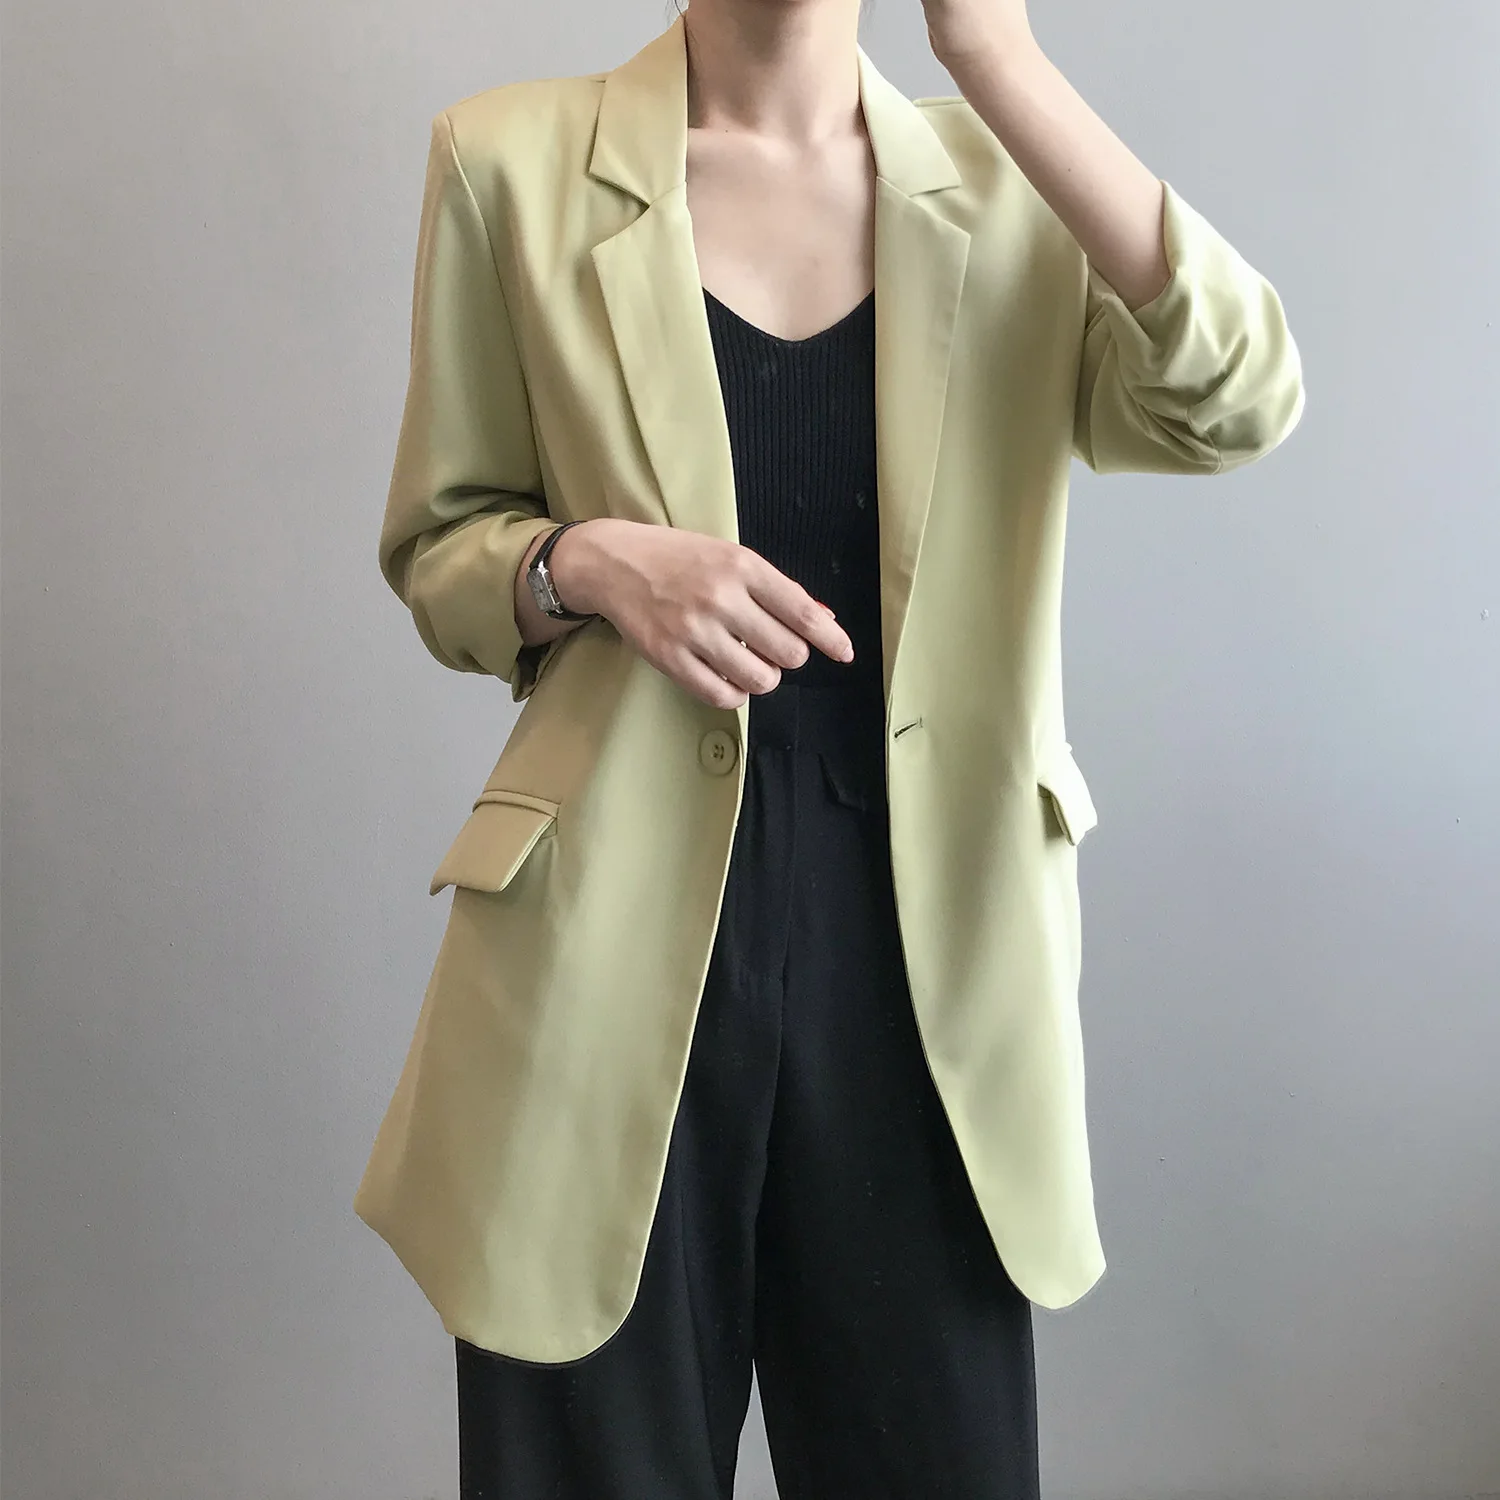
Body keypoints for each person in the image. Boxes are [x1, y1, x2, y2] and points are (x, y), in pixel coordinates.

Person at [354, 2, 1305, 1495]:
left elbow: (1238, 400)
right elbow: (440, 552)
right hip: (602, 966)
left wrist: (998, 57)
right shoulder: (508, 162)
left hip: (931, 977)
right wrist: (588, 561)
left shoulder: (1013, 185)